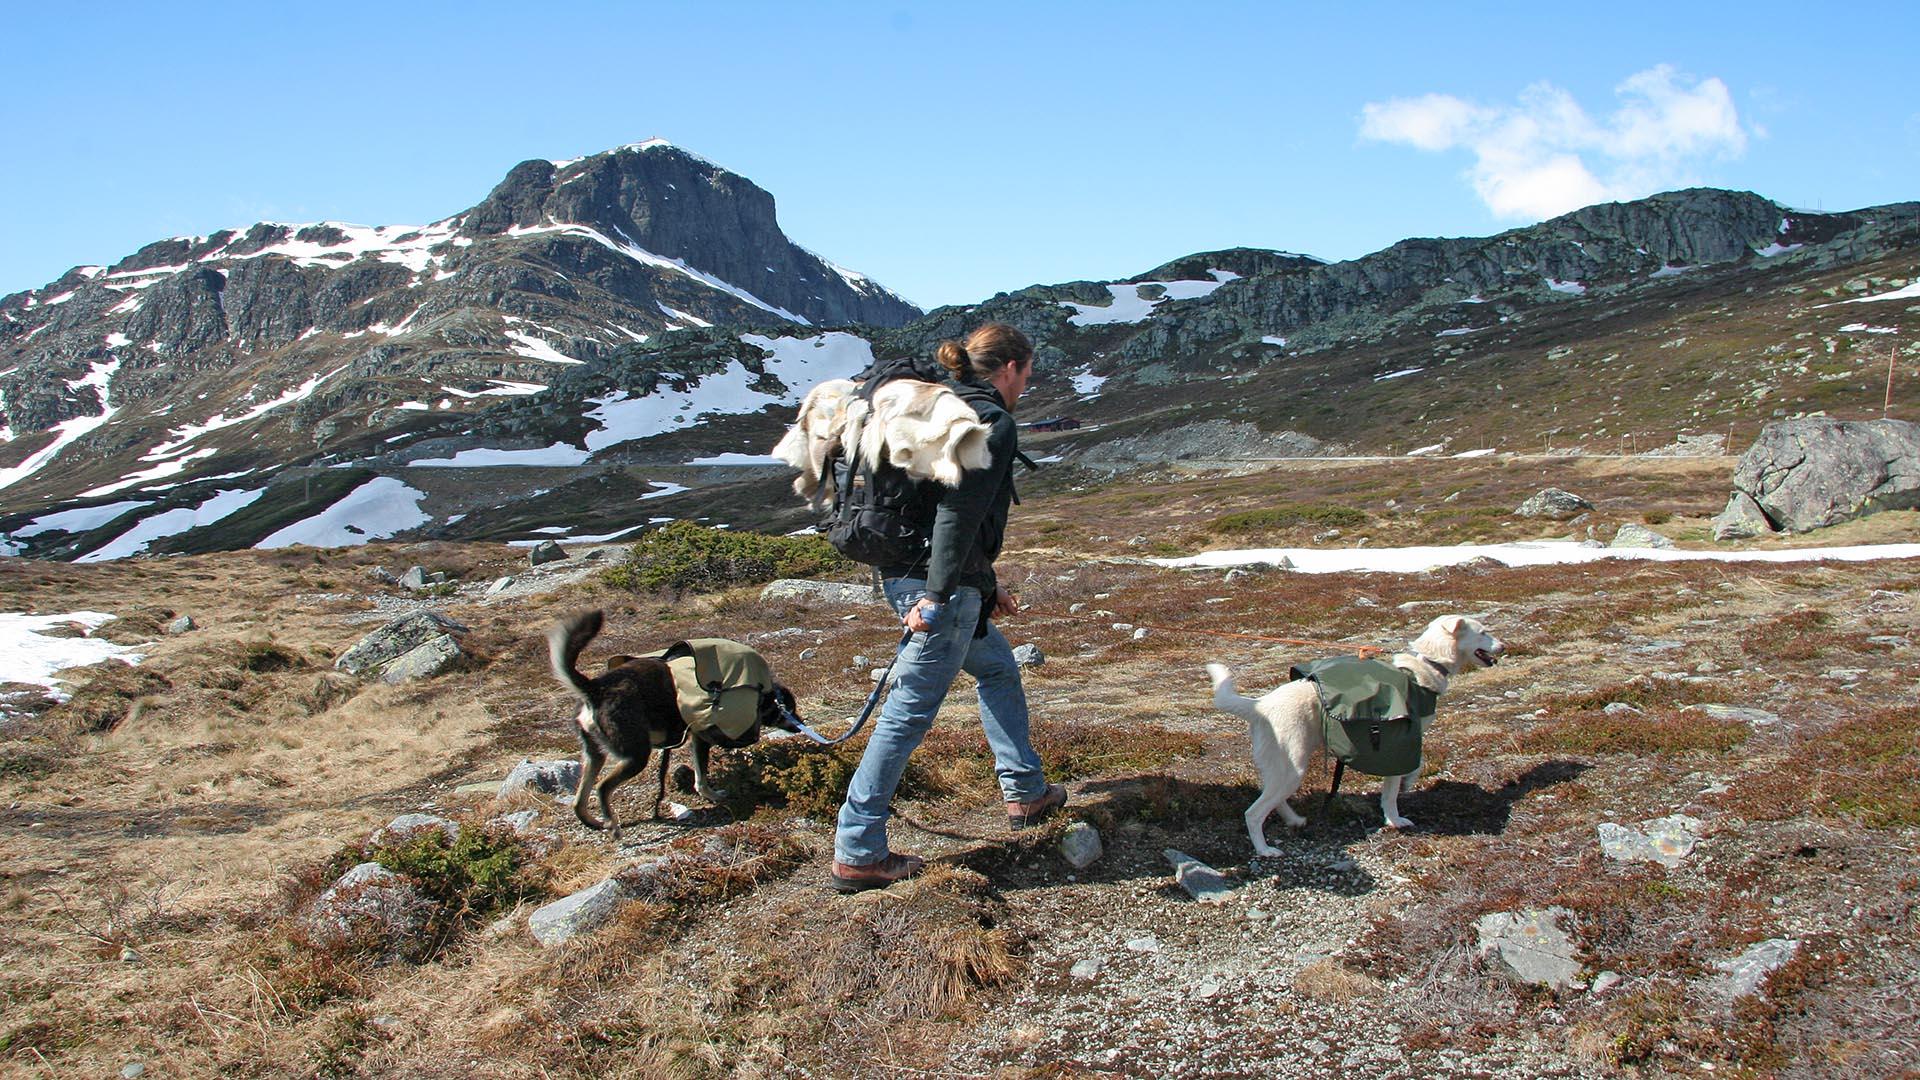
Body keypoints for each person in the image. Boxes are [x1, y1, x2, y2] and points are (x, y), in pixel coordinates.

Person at [830, 322, 1066, 892]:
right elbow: (957, 517)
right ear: (1009, 368)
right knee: (908, 711)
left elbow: (938, 509)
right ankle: (858, 849)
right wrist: (939, 597)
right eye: (1027, 376)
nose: (1026, 387)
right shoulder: (991, 421)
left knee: (997, 667)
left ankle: (1025, 790)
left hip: (907, 573)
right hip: (936, 592)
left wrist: (984, 586)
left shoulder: (938, 405)